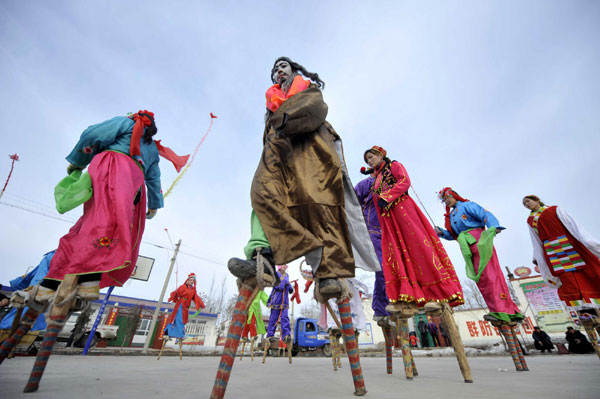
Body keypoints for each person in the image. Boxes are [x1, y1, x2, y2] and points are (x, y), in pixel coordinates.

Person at [228, 57, 379, 297]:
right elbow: (269, 130)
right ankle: (263, 257)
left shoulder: (307, 87)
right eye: (275, 69)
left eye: (283, 66)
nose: (279, 71)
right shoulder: (271, 101)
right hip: (278, 151)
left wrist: (284, 119)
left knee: (316, 198)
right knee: (262, 192)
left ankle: (328, 272)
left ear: (294, 70)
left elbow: (315, 109)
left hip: (310, 146)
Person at [35, 111, 187, 302]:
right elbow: (154, 177)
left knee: (97, 221)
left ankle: (65, 281)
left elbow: (92, 134)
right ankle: (83, 279)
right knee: (109, 223)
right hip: (132, 182)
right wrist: (154, 204)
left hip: (114, 169)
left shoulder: (125, 123)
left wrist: (78, 162)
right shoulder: (151, 148)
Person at [363, 147, 464, 312]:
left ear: (381, 155)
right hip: (389, 218)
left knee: (417, 246)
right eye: (367, 159)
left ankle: (437, 294)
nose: (369, 161)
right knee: (396, 253)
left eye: (371, 156)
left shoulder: (394, 165)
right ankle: (405, 297)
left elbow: (405, 181)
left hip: (402, 208)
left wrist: (387, 196)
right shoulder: (376, 179)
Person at [436, 187, 522, 322]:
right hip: (466, 245)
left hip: (479, 240)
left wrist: (494, 226)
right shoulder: (451, 216)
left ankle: (504, 310)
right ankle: (495, 309)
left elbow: (484, 214)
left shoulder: (467, 205)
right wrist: (441, 232)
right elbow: (455, 234)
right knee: (481, 279)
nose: (446, 201)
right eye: (444, 200)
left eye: (448, 197)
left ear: (455, 196)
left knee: (490, 274)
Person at [523, 195, 600, 305]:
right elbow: (535, 239)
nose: (527, 204)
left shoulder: (555, 209)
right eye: (524, 204)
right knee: (567, 279)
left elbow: (572, 224)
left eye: (528, 201)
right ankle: (584, 310)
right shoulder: (530, 220)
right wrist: (537, 256)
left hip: (570, 245)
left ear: (537, 200)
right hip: (552, 251)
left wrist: (588, 241)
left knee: (588, 272)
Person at [354, 174, 389, 322]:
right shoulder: (365, 183)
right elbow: (351, 202)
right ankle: (381, 309)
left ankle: (387, 306)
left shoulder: (390, 183)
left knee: (391, 270)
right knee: (382, 269)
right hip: (372, 231)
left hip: (389, 232)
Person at [164, 273, 205, 340]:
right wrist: (176, 295)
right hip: (181, 304)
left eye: (193, 280)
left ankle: (179, 335)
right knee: (178, 319)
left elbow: (196, 298)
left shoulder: (193, 290)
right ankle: (167, 333)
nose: (191, 281)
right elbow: (177, 293)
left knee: (183, 320)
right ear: (187, 280)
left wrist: (201, 304)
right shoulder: (183, 287)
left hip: (186, 306)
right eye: (190, 280)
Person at [266, 265, 293, 344]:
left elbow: (287, 283)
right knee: (274, 318)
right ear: (279, 267)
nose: (284, 266)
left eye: (285, 265)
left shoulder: (287, 275)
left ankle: (286, 335)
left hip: (285, 300)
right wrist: (284, 283)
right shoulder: (276, 274)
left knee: (285, 317)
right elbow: (278, 286)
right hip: (277, 299)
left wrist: (290, 288)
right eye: (283, 265)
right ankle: (270, 335)